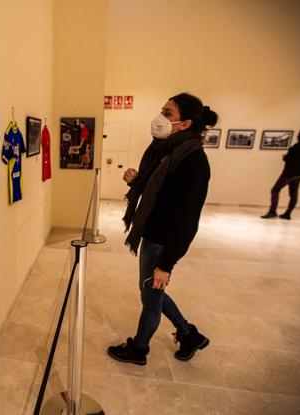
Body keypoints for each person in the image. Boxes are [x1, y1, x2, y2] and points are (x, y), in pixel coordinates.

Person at [107, 93, 216, 365]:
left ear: (185, 123)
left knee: (151, 296)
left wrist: (166, 264)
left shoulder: (194, 161)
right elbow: (159, 191)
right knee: (151, 292)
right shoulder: (163, 150)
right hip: (152, 232)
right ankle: (189, 334)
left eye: (168, 113)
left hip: (163, 240)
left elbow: (189, 219)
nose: (160, 117)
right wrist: (136, 181)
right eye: (162, 110)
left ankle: (139, 349)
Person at [261, 131, 300, 220]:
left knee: (275, 190)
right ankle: (288, 213)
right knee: (293, 194)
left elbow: (288, 158)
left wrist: (284, 157)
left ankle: (272, 211)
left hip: (289, 172)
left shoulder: (297, 146)